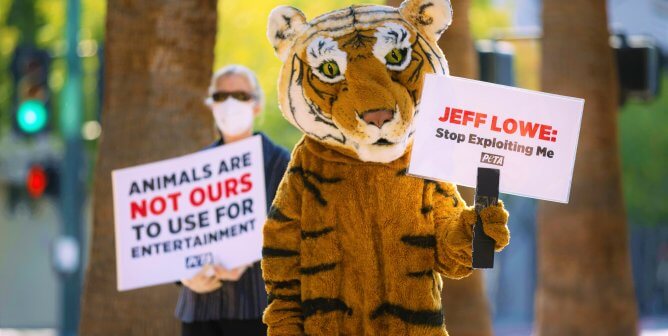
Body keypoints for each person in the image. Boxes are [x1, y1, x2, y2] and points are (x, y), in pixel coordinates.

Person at [175, 64, 290, 336]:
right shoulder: (193, 170)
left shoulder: (280, 163)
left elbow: (292, 234)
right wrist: (184, 276)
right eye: (220, 96)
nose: (229, 104)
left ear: (257, 105)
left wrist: (250, 257)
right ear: (211, 105)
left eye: (240, 96)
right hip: (199, 311)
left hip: (255, 309)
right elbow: (173, 235)